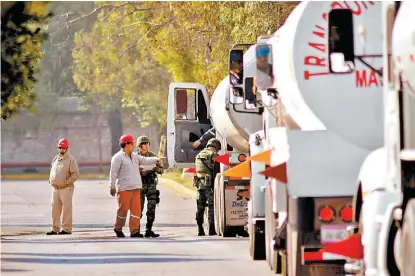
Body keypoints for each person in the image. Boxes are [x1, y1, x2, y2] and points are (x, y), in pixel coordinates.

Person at [109, 134, 165, 238]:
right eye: (132, 144)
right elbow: (113, 173)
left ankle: (134, 231)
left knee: (136, 211)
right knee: (123, 211)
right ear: (126, 144)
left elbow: (145, 160)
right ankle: (118, 228)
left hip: (136, 188)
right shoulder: (117, 158)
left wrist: (157, 159)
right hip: (124, 189)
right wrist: (112, 186)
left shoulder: (134, 156)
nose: (133, 146)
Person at [46, 138, 79, 235]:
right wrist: (51, 180)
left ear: (67, 148)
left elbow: (75, 174)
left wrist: (66, 182)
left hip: (66, 188)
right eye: (60, 148)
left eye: (63, 148)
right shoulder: (56, 159)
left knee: (66, 209)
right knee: (54, 208)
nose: (61, 150)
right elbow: (52, 170)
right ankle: (55, 228)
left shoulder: (71, 160)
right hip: (55, 188)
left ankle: (66, 229)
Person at [136, 135, 164, 238]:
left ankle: (149, 229)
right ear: (139, 145)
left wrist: (155, 168)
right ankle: (136, 230)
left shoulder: (153, 156)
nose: (146, 146)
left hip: (151, 185)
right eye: (144, 144)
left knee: (151, 208)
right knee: (138, 209)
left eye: (147, 144)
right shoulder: (135, 157)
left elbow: (161, 170)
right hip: (140, 185)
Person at [194, 138, 221, 236]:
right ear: (216, 146)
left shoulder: (198, 155)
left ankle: (200, 229)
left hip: (200, 185)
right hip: (209, 186)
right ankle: (211, 229)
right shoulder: (214, 155)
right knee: (211, 207)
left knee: (200, 208)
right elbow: (218, 173)